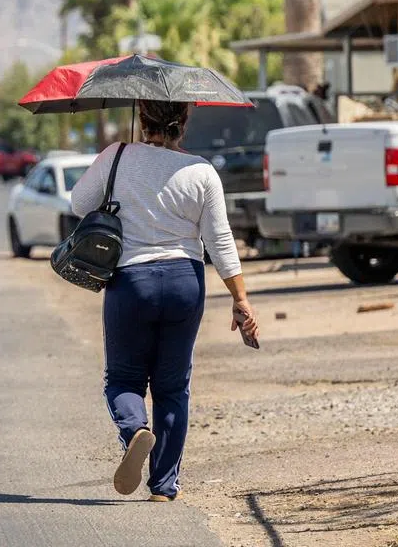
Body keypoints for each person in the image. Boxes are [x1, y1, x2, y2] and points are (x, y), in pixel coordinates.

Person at [70, 100, 259, 502]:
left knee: (124, 380)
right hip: (184, 282)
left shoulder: (116, 156)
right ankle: (163, 486)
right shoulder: (201, 171)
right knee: (173, 387)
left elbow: (79, 204)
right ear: (184, 122)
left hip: (131, 282)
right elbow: (219, 239)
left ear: (142, 119)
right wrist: (240, 298)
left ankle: (135, 429)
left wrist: (120, 186)